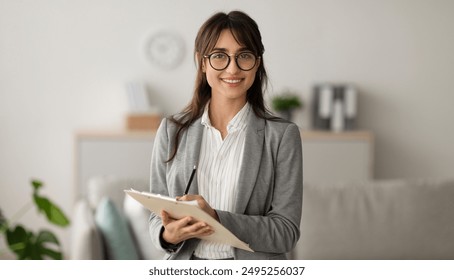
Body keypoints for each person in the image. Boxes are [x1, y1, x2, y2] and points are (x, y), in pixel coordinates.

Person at [148, 10, 303, 260]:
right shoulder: (172, 130)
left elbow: (285, 231)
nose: (233, 68)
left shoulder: (282, 136)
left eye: (244, 56)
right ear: (202, 61)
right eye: (220, 56)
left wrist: (216, 218)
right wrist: (168, 236)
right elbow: (156, 215)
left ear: (257, 62)